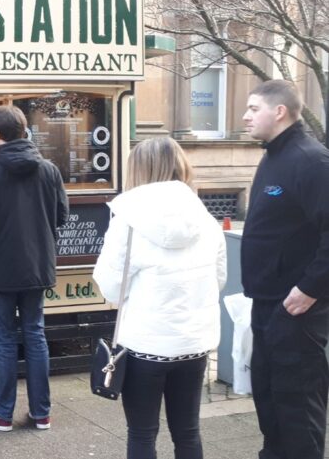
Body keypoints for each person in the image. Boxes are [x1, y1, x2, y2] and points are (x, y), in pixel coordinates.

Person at [93, 137, 226, 459]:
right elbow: (218, 280)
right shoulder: (206, 219)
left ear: (137, 170)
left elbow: (110, 289)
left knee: (141, 434)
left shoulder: (128, 221)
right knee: (188, 432)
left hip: (144, 347)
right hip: (193, 344)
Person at [240, 79, 329, 459]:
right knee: (270, 402)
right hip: (266, 306)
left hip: (297, 311)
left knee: (297, 410)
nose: (245, 116)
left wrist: (310, 288)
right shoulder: (272, 155)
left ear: (279, 112)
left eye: (253, 108)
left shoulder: (311, 160)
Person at [0, 105, 67, 432]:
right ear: (24, 131)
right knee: (36, 334)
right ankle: (41, 413)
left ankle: (1, 413)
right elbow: (61, 217)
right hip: (38, 264)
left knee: (5, 338)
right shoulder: (50, 170)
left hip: (2, 267)